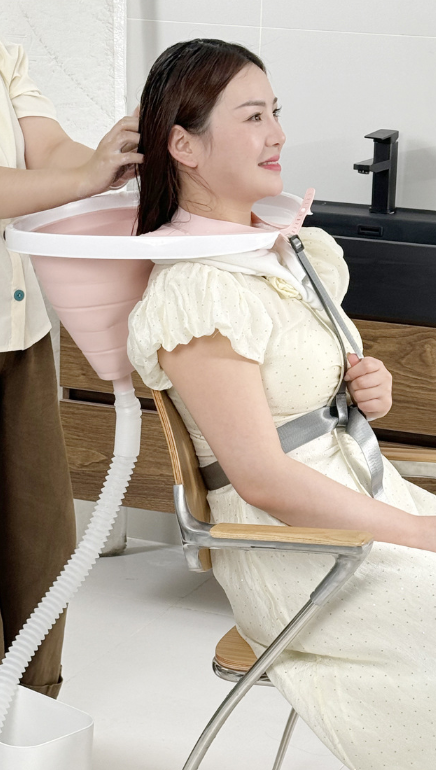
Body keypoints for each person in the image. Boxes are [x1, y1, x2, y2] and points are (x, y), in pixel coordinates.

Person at [127, 39, 436, 770]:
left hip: (373, 505)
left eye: (275, 112)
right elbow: (262, 477)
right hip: (299, 554)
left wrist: (361, 387)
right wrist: (422, 536)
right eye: (253, 116)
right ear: (184, 145)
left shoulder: (278, 251)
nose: (278, 134)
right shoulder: (199, 289)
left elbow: (299, 393)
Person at [0, 39, 142, 698]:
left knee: (41, 539)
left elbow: (48, 149)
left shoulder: (4, 49)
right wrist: (84, 179)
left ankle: (29, 713)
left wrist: (111, 161)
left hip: (20, 332)